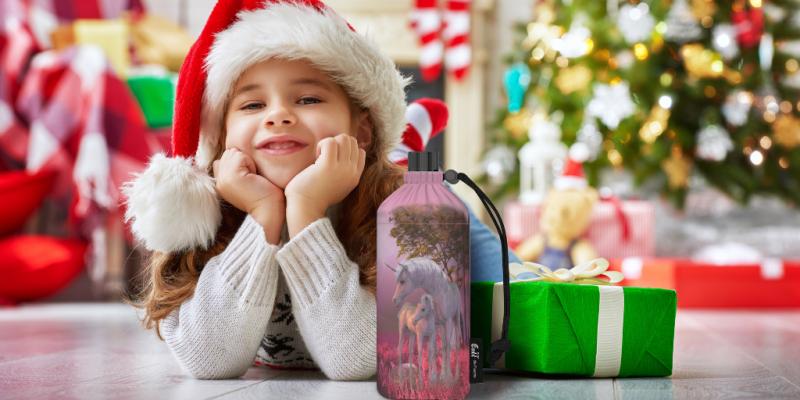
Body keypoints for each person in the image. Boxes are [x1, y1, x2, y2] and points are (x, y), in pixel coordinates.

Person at [123, 0, 519, 381]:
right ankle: (406, 141)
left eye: (309, 99)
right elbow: (208, 360)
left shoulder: (411, 214)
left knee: (474, 238)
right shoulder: (203, 218)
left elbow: (362, 359)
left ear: (361, 129)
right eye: (252, 105)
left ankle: (402, 147)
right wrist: (263, 215)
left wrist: (307, 211)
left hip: (382, 185)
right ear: (221, 136)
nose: (278, 115)